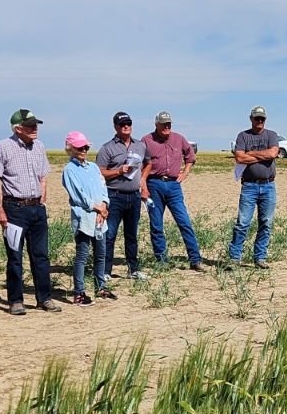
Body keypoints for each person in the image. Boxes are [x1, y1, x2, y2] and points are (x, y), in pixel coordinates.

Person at [0, 108, 60, 314]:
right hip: (14, 209)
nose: (35, 128)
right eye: (30, 125)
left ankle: (44, 298)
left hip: (37, 209)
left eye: (35, 124)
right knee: (14, 257)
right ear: (18, 128)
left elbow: (43, 176)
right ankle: (15, 301)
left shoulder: (39, 146)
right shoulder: (3, 147)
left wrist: (42, 198)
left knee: (41, 256)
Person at [142, 111, 206, 271]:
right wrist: (143, 185)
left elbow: (190, 157)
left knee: (184, 222)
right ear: (156, 124)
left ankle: (195, 260)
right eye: (163, 124)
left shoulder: (179, 139)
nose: (167, 126)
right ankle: (162, 261)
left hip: (173, 186)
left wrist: (185, 173)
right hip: (154, 184)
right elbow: (139, 164)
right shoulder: (146, 140)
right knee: (156, 224)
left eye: (169, 123)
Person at [97, 111, 150, 281]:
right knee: (110, 234)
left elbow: (148, 163)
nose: (126, 126)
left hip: (134, 196)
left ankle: (133, 270)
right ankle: (105, 271)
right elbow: (99, 172)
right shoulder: (107, 148)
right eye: (122, 124)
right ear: (115, 127)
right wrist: (118, 171)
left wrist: (142, 180)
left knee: (131, 234)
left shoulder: (140, 145)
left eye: (128, 123)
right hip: (114, 195)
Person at [61, 132, 110, 304]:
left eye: (86, 147)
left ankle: (100, 286)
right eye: (80, 147)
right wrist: (96, 208)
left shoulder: (94, 167)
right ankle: (79, 293)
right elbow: (78, 196)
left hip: (100, 217)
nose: (83, 150)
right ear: (71, 149)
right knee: (82, 256)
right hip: (84, 218)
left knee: (100, 254)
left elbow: (103, 188)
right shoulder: (69, 170)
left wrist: (104, 206)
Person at [229, 106, 280, 268]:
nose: (259, 121)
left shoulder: (271, 135)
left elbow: (272, 154)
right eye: (256, 118)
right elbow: (239, 158)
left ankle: (260, 258)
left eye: (262, 119)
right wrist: (260, 156)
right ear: (251, 119)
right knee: (243, 223)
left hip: (268, 186)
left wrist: (249, 154)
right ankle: (234, 258)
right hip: (249, 186)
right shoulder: (243, 136)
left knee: (266, 222)